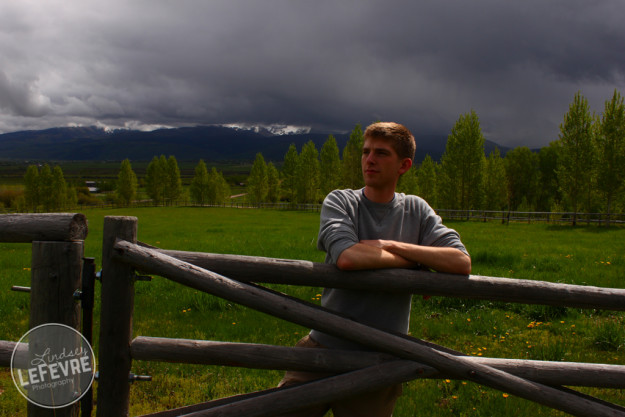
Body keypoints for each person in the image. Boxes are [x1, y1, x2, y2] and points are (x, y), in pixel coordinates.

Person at [278, 122, 471, 417]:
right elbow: (348, 258)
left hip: (380, 356)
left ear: (403, 165)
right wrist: (418, 262)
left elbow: (460, 261)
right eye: (366, 151)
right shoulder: (342, 201)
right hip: (325, 345)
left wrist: (391, 246)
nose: (369, 160)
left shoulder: (416, 210)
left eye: (381, 153)